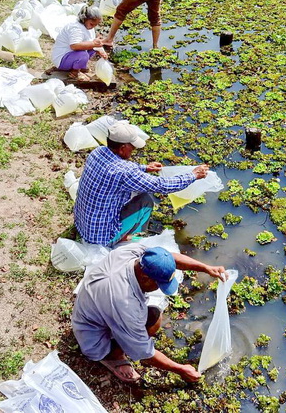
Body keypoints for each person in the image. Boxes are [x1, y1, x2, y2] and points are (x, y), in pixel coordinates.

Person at [72, 244, 227, 384]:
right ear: (145, 277)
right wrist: (180, 369)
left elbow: (169, 258)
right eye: (158, 284)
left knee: (153, 315)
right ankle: (112, 357)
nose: (159, 289)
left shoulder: (132, 254)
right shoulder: (125, 304)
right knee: (153, 320)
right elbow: (144, 352)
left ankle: (120, 343)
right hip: (94, 340)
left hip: (95, 310)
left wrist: (205, 268)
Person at [74, 121, 209, 246]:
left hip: (83, 225)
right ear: (122, 148)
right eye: (131, 148)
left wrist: (145, 168)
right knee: (146, 200)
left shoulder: (97, 152)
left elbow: (120, 169)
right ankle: (134, 239)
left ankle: (126, 234)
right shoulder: (125, 172)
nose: (133, 150)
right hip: (100, 238)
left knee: (134, 193)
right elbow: (161, 185)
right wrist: (193, 175)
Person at [47, 6, 108, 79]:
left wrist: (100, 51)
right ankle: (75, 72)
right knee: (83, 55)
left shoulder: (87, 27)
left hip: (70, 55)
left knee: (92, 49)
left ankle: (78, 66)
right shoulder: (76, 28)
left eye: (96, 25)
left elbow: (89, 42)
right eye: (92, 24)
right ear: (84, 19)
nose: (93, 27)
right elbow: (74, 46)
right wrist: (94, 44)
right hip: (62, 58)